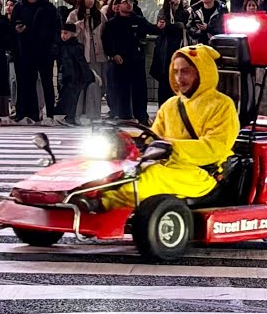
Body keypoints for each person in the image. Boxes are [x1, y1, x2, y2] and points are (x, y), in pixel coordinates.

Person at [100, 45, 239, 210]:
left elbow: (215, 148)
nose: (179, 78)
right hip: (168, 167)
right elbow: (154, 137)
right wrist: (129, 140)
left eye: (185, 71)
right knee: (115, 172)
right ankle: (80, 197)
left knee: (143, 181)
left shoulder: (221, 105)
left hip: (201, 174)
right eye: (176, 71)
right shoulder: (170, 105)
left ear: (202, 72)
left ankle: (99, 205)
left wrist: (171, 147)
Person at [11, 0, 58, 124]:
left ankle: (50, 113)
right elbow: (12, 25)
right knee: (25, 83)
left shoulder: (48, 7)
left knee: (47, 83)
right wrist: (17, 30)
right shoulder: (19, 7)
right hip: (25, 51)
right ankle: (27, 113)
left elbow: (56, 28)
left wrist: (53, 46)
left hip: (44, 50)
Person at [101, 0, 152, 125]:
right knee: (120, 89)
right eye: (125, 2)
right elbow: (106, 41)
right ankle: (122, 115)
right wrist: (113, 54)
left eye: (130, 2)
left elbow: (152, 29)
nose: (129, 4)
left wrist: (162, 26)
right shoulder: (111, 24)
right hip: (119, 61)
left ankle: (141, 116)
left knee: (139, 90)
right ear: (117, 6)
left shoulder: (139, 20)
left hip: (136, 59)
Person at [151, 0, 190, 104]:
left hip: (180, 48)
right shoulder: (163, 11)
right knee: (165, 81)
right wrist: (176, 25)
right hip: (165, 50)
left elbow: (187, 27)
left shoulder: (184, 13)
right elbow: (163, 27)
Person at [57, 22, 95, 126]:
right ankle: (69, 117)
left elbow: (80, 62)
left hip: (75, 77)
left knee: (72, 98)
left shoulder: (74, 47)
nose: (63, 36)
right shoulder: (63, 46)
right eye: (62, 33)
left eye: (66, 33)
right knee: (69, 98)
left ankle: (70, 117)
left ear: (73, 34)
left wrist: (86, 75)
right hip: (69, 77)